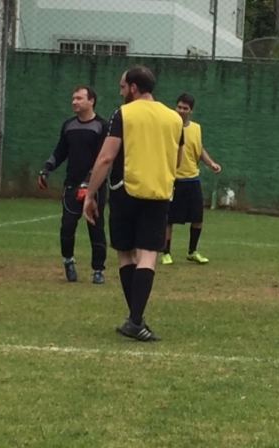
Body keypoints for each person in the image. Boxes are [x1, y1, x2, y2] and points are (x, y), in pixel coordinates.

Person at [83, 65, 184, 341]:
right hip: (159, 193)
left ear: (134, 88)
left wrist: (90, 194)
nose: (120, 92)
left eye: (122, 87)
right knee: (148, 256)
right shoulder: (174, 118)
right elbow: (176, 160)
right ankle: (135, 320)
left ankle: (135, 320)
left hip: (125, 190)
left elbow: (106, 157)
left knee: (126, 254)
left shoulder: (123, 113)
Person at [38, 85, 109, 284]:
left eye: (79, 98)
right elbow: (60, 152)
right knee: (67, 226)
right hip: (71, 186)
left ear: (91, 101)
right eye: (73, 98)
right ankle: (68, 261)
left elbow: (103, 158)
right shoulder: (68, 125)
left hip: (95, 188)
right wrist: (46, 168)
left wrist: (88, 183)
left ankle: (98, 270)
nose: (74, 102)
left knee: (96, 227)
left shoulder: (102, 126)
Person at [161, 93, 221, 266]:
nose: (181, 110)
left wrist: (211, 163)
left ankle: (192, 251)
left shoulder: (196, 128)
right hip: (174, 179)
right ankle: (166, 253)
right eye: (179, 107)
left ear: (191, 111)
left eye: (185, 108)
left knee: (197, 217)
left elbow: (199, 149)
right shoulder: (169, 126)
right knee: (169, 219)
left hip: (192, 179)